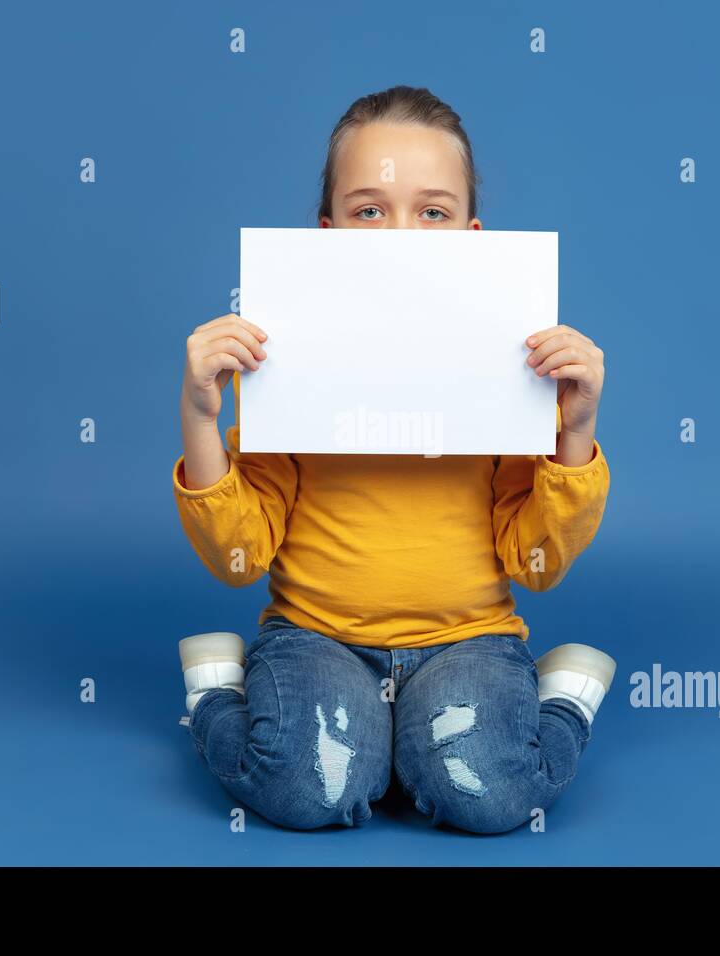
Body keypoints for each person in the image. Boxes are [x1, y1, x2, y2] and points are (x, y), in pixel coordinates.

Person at [173, 86, 616, 833]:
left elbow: (535, 561)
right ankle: (215, 695)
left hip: (467, 641)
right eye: (369, 210)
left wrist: (573, 433)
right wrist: (200, 417)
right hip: (318, 636)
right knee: (311, 788)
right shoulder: (290, 367)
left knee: (489, 795)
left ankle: (562, 702)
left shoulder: (510, 374)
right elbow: (240, 560)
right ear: (326, 234)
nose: (399, 236)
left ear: (475, 239)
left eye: (432, 212)